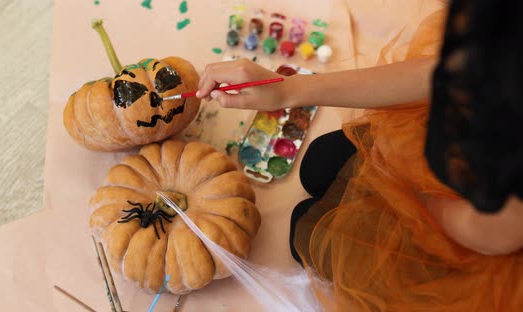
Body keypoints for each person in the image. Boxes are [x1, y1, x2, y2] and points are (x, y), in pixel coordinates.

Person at [196, 0, 523, 310]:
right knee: (318, 164)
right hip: (470, 165)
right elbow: (440, 75)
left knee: (308, 230)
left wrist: (406, 184)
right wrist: (287, 89)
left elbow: (488, 236)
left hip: (474, 230)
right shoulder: (498, 44)